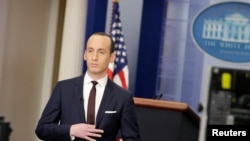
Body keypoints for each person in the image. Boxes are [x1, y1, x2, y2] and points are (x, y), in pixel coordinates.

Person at [35, 32, 140, 141]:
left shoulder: (123, 97)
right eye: (90, 51)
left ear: (112, 57)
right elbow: (42, 129)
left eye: (101, 52)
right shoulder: (63, 89)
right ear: (85, 55)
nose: (94, 57)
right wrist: (71, 130)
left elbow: (132, 138)